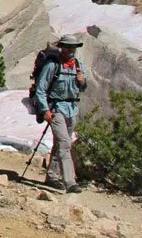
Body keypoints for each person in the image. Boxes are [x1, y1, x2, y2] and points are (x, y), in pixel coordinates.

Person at [34, 34, 87, 193]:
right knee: (65, 143)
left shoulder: (78, 65)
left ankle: (51, 177)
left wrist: (82, 81)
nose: (71, 50)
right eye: (68, 46)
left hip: (72, 109)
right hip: (56, 109)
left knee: (60, 143)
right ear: (61, 47)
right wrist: (44, 110)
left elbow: (83, 88)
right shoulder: (52, 65)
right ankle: (70, 182)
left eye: (73, 47)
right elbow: (41, 89)